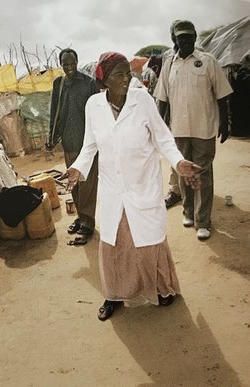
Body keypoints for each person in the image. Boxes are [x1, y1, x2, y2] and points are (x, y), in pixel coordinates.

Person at [65, 52, 202, 321]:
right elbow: (90, 145)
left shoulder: (142, 100)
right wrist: (77, 168)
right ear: (104, 81)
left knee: (149, 242)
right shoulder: (93, 105)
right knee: (114, 245)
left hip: (142, 184)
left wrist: (178, 161)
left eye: (128, 72)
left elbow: (163, 138)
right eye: (119, 74)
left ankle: (160, 287)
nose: (128, 78)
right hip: (114, 188)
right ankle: (114, 295)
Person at [154, 20, 233, 240]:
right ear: (175, 40)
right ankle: (188, 211)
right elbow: (162, 99)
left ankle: (203, 221)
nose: (185, 40)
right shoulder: (169, 65)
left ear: (195, 37)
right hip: (178, 130)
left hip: (204, 128)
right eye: (181, 37)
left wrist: (225, 124)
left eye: (189, 36)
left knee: (203, 173)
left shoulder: (208, 61)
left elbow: (222, 94)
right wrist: (159, 128)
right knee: (183, 172)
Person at [47, 48, 98, 241]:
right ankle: (80, 216)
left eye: (72, 63)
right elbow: (54, 111)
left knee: (88, 184)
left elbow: (98, 112)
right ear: (61, 64)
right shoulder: (58, 84)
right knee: (74, 182)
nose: (69, 68)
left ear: (77, 62)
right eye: (65, 64)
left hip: (88, 143)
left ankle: (88, 222)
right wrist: (51, 136)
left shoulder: (89, 83)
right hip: (68, 141)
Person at [160, 19, 184, 209]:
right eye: (175, 34)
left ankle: (195, 192)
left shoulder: (201, 57)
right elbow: (163, 95)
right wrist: (160, 123)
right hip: (176, 120)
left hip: (198, 119)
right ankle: (176, 190)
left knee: (198, 158)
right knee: (175, 153)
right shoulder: (169, 60)